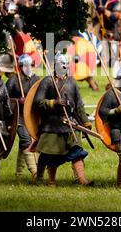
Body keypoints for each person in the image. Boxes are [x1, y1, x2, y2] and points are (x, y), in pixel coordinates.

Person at [33, 52, 93, 187]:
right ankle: (50, 180)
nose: (64, 67)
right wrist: (54, 102)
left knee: (77, 152)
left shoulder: (72, 81)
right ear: (55, 66)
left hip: (70, 123)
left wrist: (85, 121)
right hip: (52, 124)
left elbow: (79, 104)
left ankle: (82, 179)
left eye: (66, 65)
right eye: (61, 65)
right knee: (51, 155)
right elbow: (37, 102)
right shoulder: (48, 81)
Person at [6, 54, 39, 180]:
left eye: (29, 65)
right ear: (19, 67)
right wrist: (16, 100)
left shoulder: (37, 80)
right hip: (18, 116)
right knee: (26, 140)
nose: (27, 68)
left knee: (25, 143)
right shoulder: (14, 80)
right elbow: (3, 99)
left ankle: (19, 174)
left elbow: (42, 96)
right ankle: (35, 172)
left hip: (32, 116)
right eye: (24, 65)